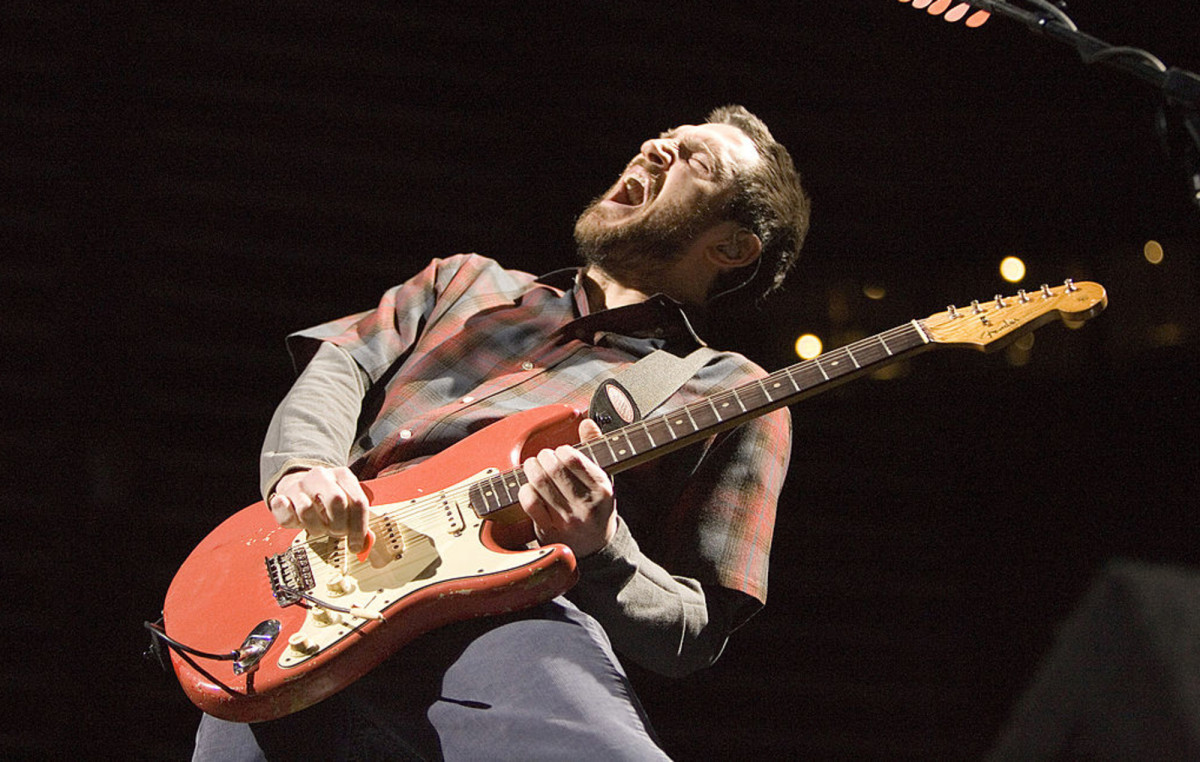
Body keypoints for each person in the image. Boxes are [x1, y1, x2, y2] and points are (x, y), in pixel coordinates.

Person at [193, 104, 810, 760]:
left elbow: (694, 632)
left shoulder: (730, 390)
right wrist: (305, 466)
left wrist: (602, 546)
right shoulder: (464, 280)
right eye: (664, 137)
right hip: (310, 595)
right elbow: (342, 362)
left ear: (731, 248)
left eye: (697, 161)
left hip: (501, 619)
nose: (657, 149)